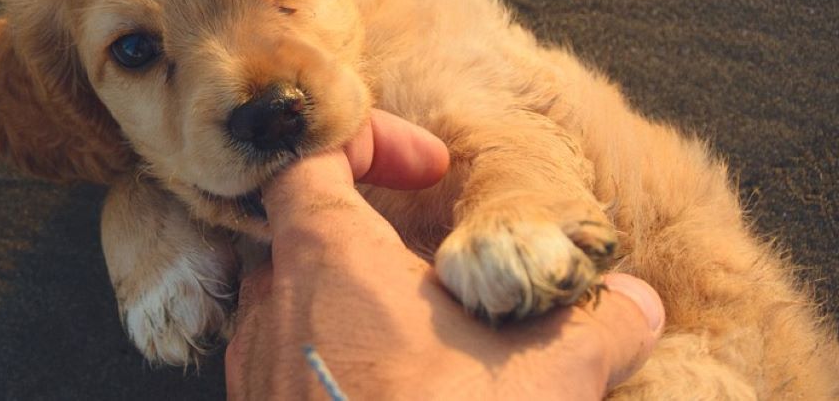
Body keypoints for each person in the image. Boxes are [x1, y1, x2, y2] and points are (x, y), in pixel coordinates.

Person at [225, 110, 665, 400]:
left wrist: (511, 204)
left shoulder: (424, 38)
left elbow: (510, 130)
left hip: (687, 337)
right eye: (150, 51)